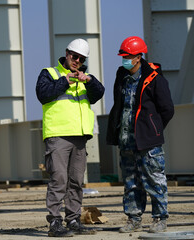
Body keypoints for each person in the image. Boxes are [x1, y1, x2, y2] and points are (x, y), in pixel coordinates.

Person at [36, 38, 105, 237]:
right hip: (58, 135)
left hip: (79, 136)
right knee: (59, 179)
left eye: (81, 59)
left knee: (75, 180)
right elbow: (43, 94)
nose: (77, 61)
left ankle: (73, 219)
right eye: (74, 56)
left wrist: (89, 80)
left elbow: (99, 92)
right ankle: (55, 222)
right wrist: (64, 81)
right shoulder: (50, 74)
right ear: (67, 54)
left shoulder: (85, 78)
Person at [106, 36, 174, 233]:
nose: (124, 59)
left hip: (148, 143)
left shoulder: (155, 79)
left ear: (138, 57)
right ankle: (134, 219)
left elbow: (167, 109)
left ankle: (160, 219)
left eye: (127, 56)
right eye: (123, 55)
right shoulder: (122, 77)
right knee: (131, 182)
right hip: (126, 141)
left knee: (154, 180)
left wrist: (153, 129)